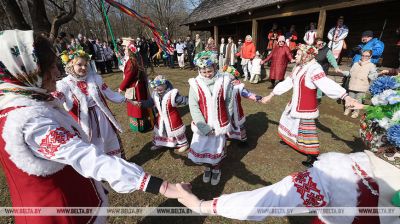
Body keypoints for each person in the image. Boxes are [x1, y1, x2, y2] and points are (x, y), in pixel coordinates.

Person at [0, 29, 186, 224]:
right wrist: (161, 186)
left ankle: (113, 173)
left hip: (99, 126)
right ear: (28, 70)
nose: (57, 72)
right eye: (51, 67)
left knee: (107, 145)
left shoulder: (40, 98)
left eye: (85, 65)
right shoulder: (31, 119)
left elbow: (110, 95)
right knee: (95, 151)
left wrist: (128, 100)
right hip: (58, 212)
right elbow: (86, 156)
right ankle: (115, 175)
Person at [176, 77, 400, 224]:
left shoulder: (343, 171)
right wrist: (273, 94)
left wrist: (201, 205)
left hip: (229, 120)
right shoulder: (198, 84)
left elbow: (271, 199)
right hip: (216, 122)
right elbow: (288, 82)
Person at [262, 44, 357, 167]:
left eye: (298, 54)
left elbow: (325, 83)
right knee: (288, 120)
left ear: (306, 56)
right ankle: (289, 140)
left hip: (306, 106)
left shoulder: (314, 69)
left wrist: (345, 96)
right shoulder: (299, 66)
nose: (295, 55)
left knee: (306, 130)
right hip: (295, 102)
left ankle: (312, 155)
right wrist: (272, 94)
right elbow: (288, 82)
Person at [57, 47, 130, 157]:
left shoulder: (95, 78)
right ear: (71, 65)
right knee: (92, 150)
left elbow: (109, 92)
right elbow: (57, 98)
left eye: (86, 65)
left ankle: (117, 164)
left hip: (102, 117)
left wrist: (125, 99)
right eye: (79, 65)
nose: (83, 68)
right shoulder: (64, 84)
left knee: (110, 141)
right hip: (84, 123)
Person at [188, 51, 234, 186]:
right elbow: (193, 106)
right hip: (203, 126)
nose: (207, 74)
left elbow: (229, 102)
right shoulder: (195, 84)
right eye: (204, 72)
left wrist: (227, 119)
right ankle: (207, 167)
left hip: (219, 125)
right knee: (204, 149)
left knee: (216, 149)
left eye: (210, 71)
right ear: (199, 70)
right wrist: (203, 127)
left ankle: (216, 169)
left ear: (215, 67)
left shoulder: (224, 81)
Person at [141, 75, 189, 152]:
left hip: (172, 118)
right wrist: (141, 103)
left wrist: (192, 101)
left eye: (160, 86)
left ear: (165, 85)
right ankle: (160, 143)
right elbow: (150, 102)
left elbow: (182, 100)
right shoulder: (155, 94)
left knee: (176, 132)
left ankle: (183, 143)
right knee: (161, 130)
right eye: (155, 87)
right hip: (161, 118)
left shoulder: (172, 94)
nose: (157, 89)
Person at [119, 43, 154, 133]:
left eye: (126, 49)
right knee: (140, 105)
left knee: (136, 106)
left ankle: (140, 126)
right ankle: (145, 123)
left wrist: (121, 87)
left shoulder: (131, 62)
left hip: (135, 88)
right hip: (139, 86)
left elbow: (128, 77)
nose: (124, 50)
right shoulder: (137, 59)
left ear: (130, 51)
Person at [223, 66, 264, 142]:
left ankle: (242, 139)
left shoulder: (238, 86)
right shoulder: (222, 85)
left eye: (229, 76)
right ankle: (228, 136)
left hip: (236, 110)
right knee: (226, 123)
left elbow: (246, 93)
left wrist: (256, 97)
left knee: (238, 124)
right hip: (225, 109)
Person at [343, 49, 378, 118]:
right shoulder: (356, 64)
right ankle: (348, 109)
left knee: (358, 100)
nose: (364, 57)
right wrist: (342, 71)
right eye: (363, 55)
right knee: (350, 98)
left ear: (370, 57)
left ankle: (356, 112)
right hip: (352, 84)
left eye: (367, 56)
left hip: (362, 86)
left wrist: (372, 76)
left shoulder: (371, 65)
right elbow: (350, 73)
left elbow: (373, 75)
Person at [314, 37, 342, 102]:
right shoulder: (313, 49)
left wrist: (336, 67)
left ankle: (318, 98)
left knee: (320, 84)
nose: (321, 45)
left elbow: (332, 59)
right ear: (315, 45)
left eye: (322, 43)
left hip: (322, 70)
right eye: (319, 44)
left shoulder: (327, 50)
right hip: (313, 69)